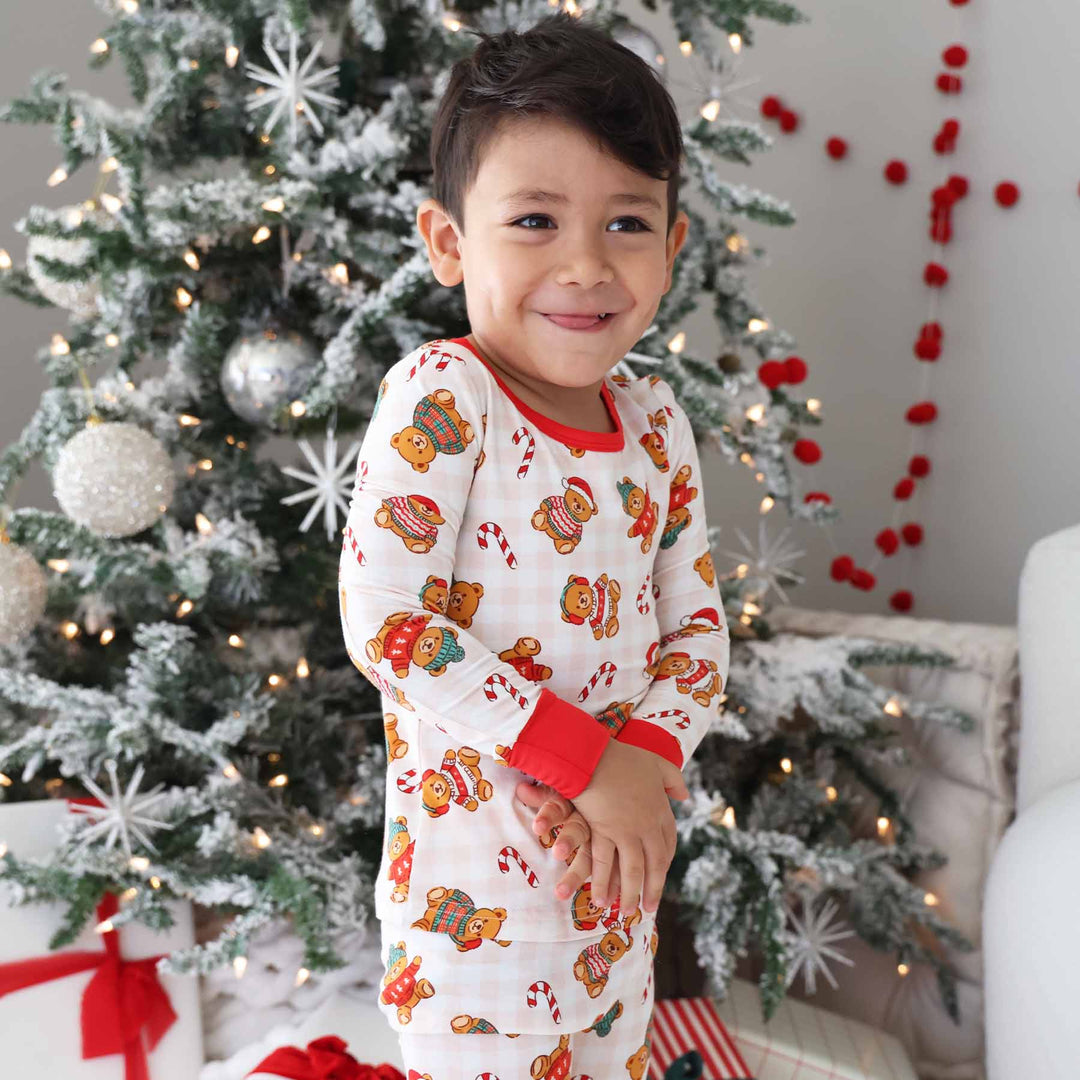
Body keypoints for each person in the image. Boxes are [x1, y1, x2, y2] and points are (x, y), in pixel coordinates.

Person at [337, 10, 730, 1077]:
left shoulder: (655, 422)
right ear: (448, 242)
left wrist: (643, 759)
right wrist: (583, 757)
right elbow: (389, 624)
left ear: (673, 246)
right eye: (536, 222)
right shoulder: (445, 398)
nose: (588, 266)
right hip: (475, 948)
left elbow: (697, 630)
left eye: (627, 224)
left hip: (611, 918)